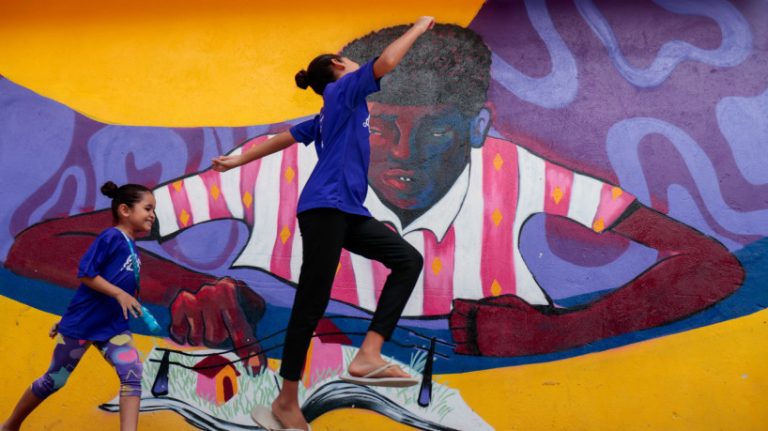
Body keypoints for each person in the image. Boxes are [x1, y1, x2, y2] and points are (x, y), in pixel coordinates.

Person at [209, 16, 434, 431]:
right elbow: (386, 62)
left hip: (347, 211)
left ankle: (368, 353)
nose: (358, 65)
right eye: (351, 61)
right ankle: (286, 400)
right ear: (337, 65)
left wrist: (239, 159)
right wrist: (419, 28)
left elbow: (286, 136)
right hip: (326, 208)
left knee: (407, 260)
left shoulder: (335, 111)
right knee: (312, 300)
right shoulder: (341, 91)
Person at [1, 182, 155, 431]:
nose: (152, 215)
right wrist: (74, 319)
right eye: (147, 208)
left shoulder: (130, 245)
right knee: (54, 380)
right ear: (125, 210)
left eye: (153, 210)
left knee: (132, 375)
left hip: (113, 327)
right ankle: (10, 425)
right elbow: (86, 274)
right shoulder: (111, 237)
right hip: (83, 325)